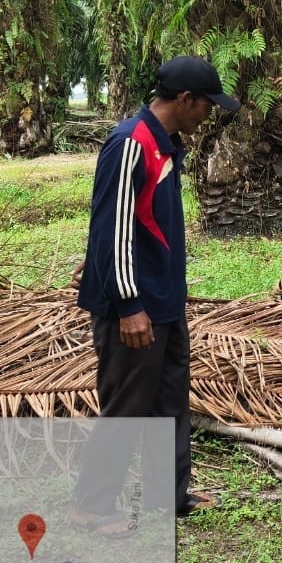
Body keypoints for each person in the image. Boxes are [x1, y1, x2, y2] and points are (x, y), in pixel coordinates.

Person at [74, 56, 240, 527]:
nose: (209, 114)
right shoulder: (131, 143)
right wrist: (129, 305)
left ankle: (169, 495)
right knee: (128, 405)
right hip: (135, 307)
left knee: (169, 399)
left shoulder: (165, 146)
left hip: (164, 302)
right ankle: (92, 505)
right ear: (185, 100)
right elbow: (112, 228)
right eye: (207, 105)